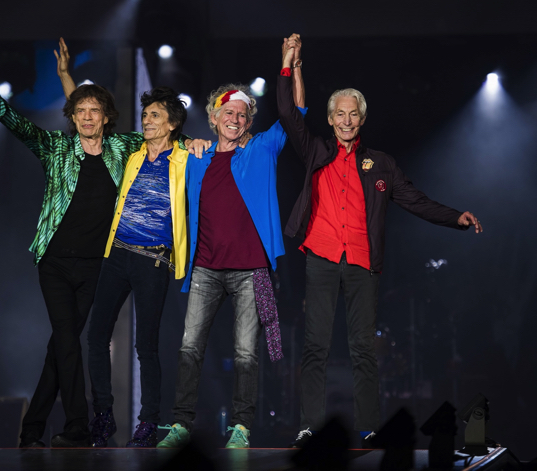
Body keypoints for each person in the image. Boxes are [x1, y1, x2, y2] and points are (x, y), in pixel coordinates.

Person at [276, 34, 484, 447]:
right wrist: (288, 62)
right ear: (330, 119)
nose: (346, 120)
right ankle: (309, 426)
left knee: (363, 349)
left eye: (353, 114)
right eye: (340, 114)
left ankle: (368, 428)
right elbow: (286, 112)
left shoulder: (381, 163)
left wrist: (454, 218)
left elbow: (415, 199)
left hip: (362, 262)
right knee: (316, 345)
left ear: (362, 119)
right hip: (321, 256)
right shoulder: (316, 151)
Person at [0, 63, 148, 447]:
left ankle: (32, 430)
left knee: (60, 348)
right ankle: (78, 426)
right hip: (55, 263)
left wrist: (194, 142)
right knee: (67, 342)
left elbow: (161, 136)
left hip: (97, 266)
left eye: (94, 111)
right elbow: (21, 127)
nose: (87, 117)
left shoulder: (123, 147)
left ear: (107, 117)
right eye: (80, 111)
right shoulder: (57, 147)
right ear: (72, 116)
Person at [55, 39, 211, 448]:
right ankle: (104, 416)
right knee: (95, 336)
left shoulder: (187, 156)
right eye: (144, 115)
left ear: (173, 124)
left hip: (153, 261)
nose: (146, 121)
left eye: (154, 115)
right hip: (117, 255)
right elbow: (88, 115)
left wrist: (198, 142)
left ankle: (148, 422)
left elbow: (217, 156)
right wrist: (66, 76)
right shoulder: (131, 151)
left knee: (146, 345)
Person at [156, 41, 307, 450]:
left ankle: (241, 427)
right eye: (228, 112)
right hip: (204, 268)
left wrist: (290, 67)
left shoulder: (261, 150)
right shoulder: (196, 157)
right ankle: (181, 424)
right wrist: (189, 142)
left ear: (248, 121)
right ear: (213, 117)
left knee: (246, 353)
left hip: (251, 271)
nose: (235, 119)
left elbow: (296, 113)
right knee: (189, 347)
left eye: (242, 114)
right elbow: (156, 142)